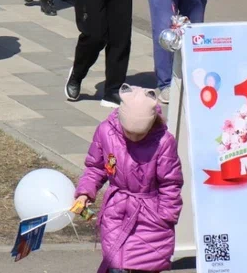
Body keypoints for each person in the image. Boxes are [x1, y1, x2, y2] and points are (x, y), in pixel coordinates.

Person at [72, 87, 182, 273]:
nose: (134, 138)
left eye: (140, 133)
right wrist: (85, 192)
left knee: (147, 263)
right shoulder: (106, 132)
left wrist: (166, 215)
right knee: (116, 261)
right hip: (117, 210)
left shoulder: (164, 141)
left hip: (151, 214)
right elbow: (95, 167)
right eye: (129, 132)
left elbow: (170, 183)